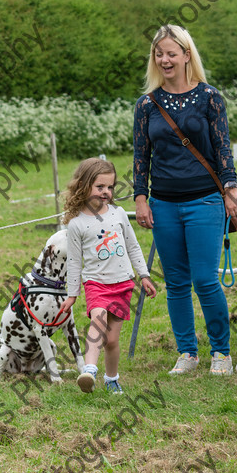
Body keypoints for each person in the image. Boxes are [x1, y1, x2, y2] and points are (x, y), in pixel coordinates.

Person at [133, 24, 237, 375]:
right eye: (159, 54)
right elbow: (140, 155)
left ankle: (221, 353)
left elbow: (223, 147)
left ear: (186, 55)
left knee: (205, 279)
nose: (164, 59)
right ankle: (187, 352)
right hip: (163, 204)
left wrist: (230, 190)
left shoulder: (210, 97)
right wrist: (140, 198)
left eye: (171, 53)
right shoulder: (146, 104)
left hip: (205, 202)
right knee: (176, 282)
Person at [60, 158, 157, 394]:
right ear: (84, 186)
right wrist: (72, 295)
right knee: (98, 320)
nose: (106, 192)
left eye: (110, 187)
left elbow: (133, 246)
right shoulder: (76, 224)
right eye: (100, 187)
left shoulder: (119, 214)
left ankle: (111, 378)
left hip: (123, 283)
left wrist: (143, 275)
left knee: (112, 341)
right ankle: (89, 370)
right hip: (96, 284)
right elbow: (73, 262)